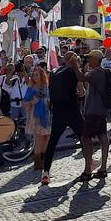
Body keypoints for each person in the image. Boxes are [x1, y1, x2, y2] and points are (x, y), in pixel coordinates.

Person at [41, 51, 85, 184]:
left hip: (58, 111)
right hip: (71, 109)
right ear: (73, 60)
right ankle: (89, 165)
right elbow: (82, 92)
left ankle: (46, 172)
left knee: (53, 142)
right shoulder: (73, 72)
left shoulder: (53, 72)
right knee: (84, 137)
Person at [80, 50, 111, 181]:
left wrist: (76, 66)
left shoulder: (96, 72)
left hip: (93, 111)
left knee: (86, 138)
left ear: (96, 60)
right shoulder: (100, 72)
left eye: (90, 58)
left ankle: (88, 169)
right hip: (100, 110)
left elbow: (81, 78)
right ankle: (103, 167)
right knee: (103, 136)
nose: (88, 60)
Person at [23, 65, 51, 178]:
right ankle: (37, 162)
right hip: (35, 115)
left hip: (46, 114)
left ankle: (44, 158)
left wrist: (48, 101)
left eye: (37, 75)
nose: (35, 77)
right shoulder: (31, 87)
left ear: (41, 75)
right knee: (38, 138)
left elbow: (49, 99)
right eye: (33, 75)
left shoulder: (45, 86)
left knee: (47, 137)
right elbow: (25, 102)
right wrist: (31, 102)